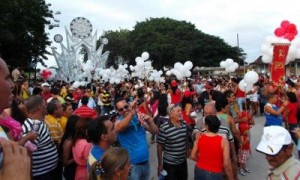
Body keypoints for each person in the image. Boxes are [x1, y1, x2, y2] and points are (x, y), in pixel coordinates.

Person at [115, 98, 158, 180]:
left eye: (126, 106)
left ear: (128, 105)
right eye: (121, 109)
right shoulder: (118, 121)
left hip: (145, 163)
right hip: (132, 166)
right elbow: (119, 127)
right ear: (118, 112)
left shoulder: (137, 118)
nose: (124, 110)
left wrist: (150, 121)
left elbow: (155, 131)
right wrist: (131, 113)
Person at [22, 95, 59, 179]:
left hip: (46, 172)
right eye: (44, 104)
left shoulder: (38, 123)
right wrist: (29, 176)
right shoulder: (33, 126)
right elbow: (28, 153)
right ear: (40, 107)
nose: (46, 107)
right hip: (41, 175)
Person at [191, 115, 233, 180]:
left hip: (199, 170)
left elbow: (193, 156)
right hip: (215, 173)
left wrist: (203, 162)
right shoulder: (224, 141)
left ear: (207, 126)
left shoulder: (199, 138)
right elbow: (226, 164)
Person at [156, 103, 188, 180]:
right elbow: (159, 146)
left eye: (181, 110)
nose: (181, 113)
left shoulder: (184, 124)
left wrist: (188, 149)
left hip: (182, 162)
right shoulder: (164, 128)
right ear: (171, 114)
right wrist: (160, 164)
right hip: (169, 164)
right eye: (178, 111)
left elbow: (186, 138)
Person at [61, 115, 79, 180]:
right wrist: (77, 157)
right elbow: (65, 162)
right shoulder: (69, 141)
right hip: (70, 172)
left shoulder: (75, 137)